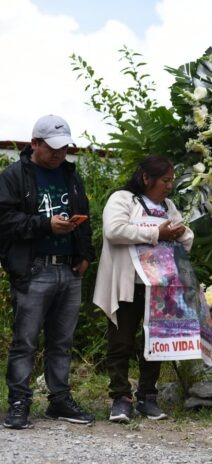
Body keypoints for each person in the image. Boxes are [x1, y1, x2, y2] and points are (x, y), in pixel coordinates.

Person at [0, 115, 95, 429]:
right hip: (33, 268)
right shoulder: (14, 175)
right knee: (25, 342)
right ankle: (18, 402)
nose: (59, 154)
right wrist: (44, 224)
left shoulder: (70, 174)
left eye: (64, 147)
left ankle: (59, 401)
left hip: (68, 269)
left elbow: (86, 215)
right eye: (52, 148)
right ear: (35, 143)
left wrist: (85, 254)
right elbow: (4, 220)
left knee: (62, 341)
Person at [93, 155, 193, 422]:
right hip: (127, 283)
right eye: (165, 180)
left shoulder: (168, 205)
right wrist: (155, 234)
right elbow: (114, 230)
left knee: (155, 341)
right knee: (121, 341)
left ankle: (148, 397)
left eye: (171, 181)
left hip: (159, 286)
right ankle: (120, 398)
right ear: (146, 178)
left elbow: (187, 235)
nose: (169, 186)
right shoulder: (123, 199)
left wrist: (180, 233)